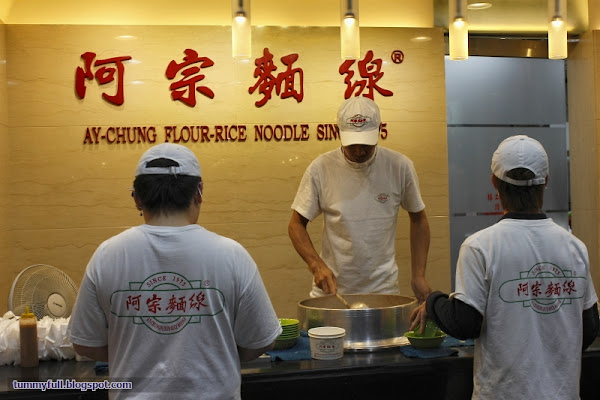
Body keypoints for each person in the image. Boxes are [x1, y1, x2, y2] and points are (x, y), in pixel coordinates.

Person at [68, 143, 282, 400]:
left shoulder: (107, 255)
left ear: (137, 198)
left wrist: (132, 354)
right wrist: (216, 352)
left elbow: (84, 342)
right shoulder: (232, 255)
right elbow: (261, 341)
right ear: (199, 192)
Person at [410, 135, 599, 399]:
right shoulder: (574, 247)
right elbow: (588, 329)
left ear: (494, 182)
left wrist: (433, 301)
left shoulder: (480, 246)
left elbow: (464, 324)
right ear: (545, 180)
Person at [288, 96, 432, 302]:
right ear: (338, 132)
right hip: (333, 292)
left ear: (379, 130)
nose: (359, 151)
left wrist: (419, 275)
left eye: (366, 144)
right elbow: (295, 225)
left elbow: (418, 218)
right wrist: (316, 265)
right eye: (352, 144)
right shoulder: (321, 168)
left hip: (383, 289)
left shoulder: (400, 166)